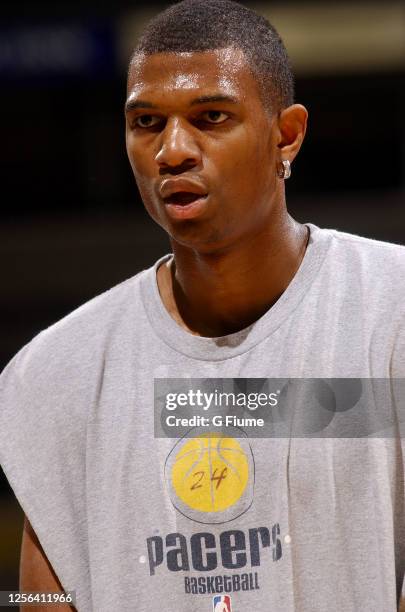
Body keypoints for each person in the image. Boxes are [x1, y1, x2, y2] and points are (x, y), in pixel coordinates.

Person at [0, 0, 404, 610]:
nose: (173, 151)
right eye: (147, 123)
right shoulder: (54, 374)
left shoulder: (391, 312)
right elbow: (40, 603)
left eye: (211, 117)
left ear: (286, 134)